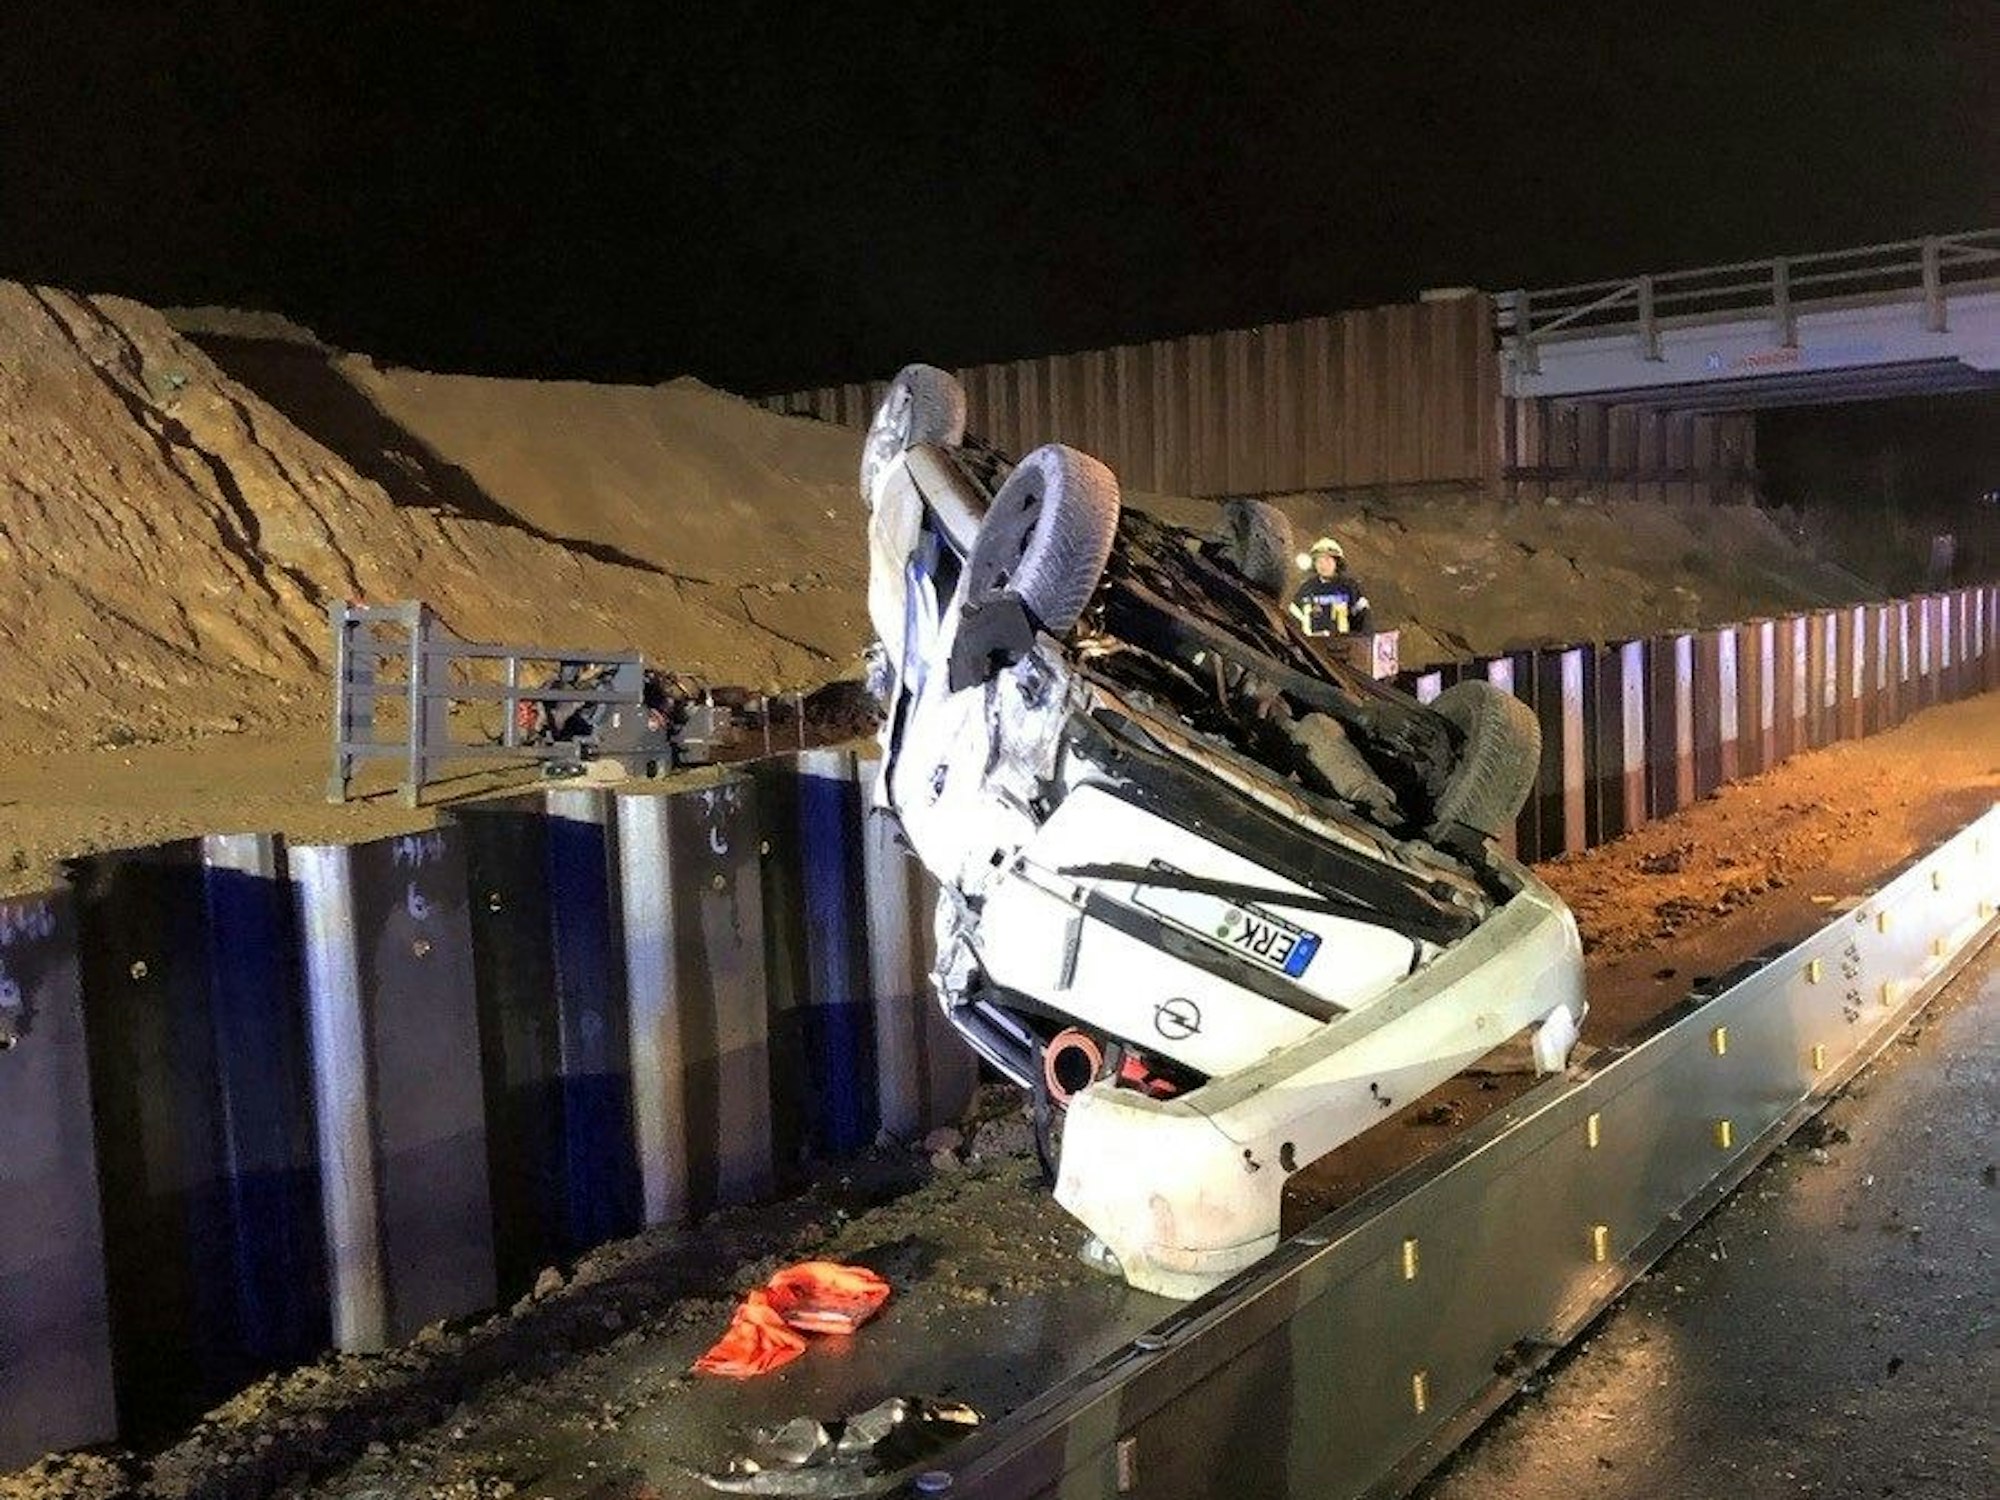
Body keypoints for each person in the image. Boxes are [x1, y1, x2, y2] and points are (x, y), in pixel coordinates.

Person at [1289, 537, 1371, 636]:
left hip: (1342, 644)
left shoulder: (1349, 588)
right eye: (1319, 561)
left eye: (1328, 560)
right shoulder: (1306, 589)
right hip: (1308, 644)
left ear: (1337, 562)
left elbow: (1364, 622)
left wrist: (1356, 640)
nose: (1323, 565)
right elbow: (1292, 622)